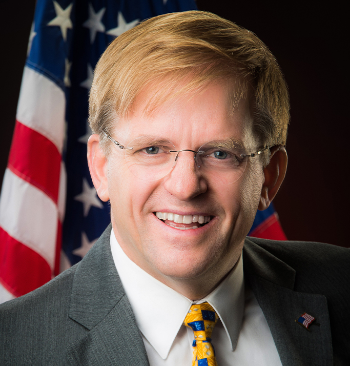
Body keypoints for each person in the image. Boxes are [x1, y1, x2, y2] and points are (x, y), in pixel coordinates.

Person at [0, 10, 349, 366]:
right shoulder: (12, 345)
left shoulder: (342, 286)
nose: (184, 187)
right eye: (152, 149)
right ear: (101, 167)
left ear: (269, 177)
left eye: (220, 153)